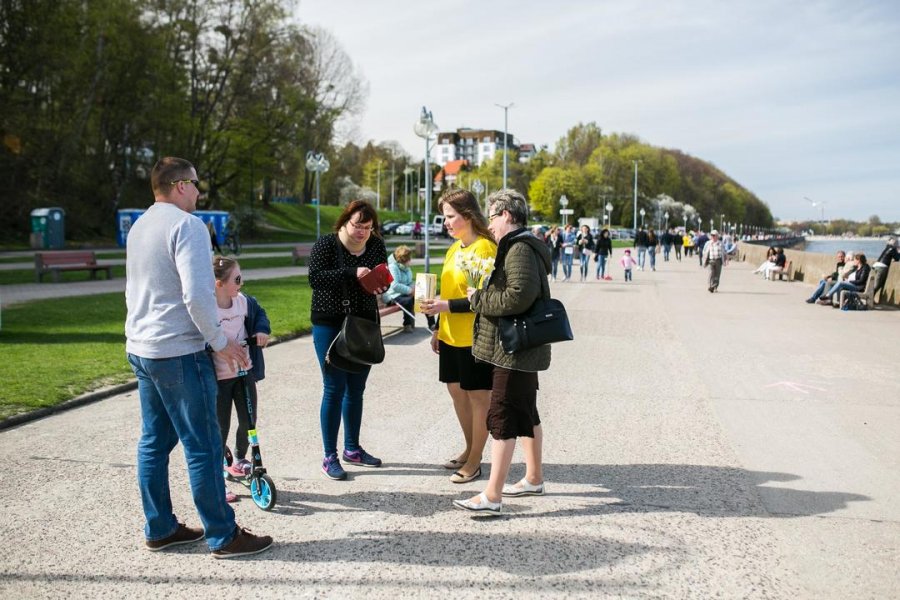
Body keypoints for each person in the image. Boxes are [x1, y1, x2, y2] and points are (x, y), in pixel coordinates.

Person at [125, 157, 272, 558]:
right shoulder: (186, 226)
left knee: (154, 441)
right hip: (178, 351)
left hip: (143, 347)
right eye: (195, 184)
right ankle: (224, 535)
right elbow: (197, 294)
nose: (199, 192)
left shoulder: (141, 225)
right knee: (204, 444)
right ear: (179, 186)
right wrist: (220, 341)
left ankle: (160, 527)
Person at [452, 188, 551, 516]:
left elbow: (518, 297)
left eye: (492, 216)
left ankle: (492, 495)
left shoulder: (519, 248)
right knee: (526, 411)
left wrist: (478, 298)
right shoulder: (518, 244)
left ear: (507, 215)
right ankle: (534, 477)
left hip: (513, 349)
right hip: (522, 346)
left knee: (503, 416)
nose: (489, 223)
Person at [308, 200, 388, 480]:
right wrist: (351, 273)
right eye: (357, 225)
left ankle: (352, 448)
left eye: (368, 227)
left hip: (364, 323)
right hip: (330, 323)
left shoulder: (376, 245)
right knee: (334, 387)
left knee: (356, 388)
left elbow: (382, 274)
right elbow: (315, 278)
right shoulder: (328, 244)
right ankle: (329, 455)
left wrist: (381, 282)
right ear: (345, 221)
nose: (362, 232)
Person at [421, 189, 497, 484]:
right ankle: (469, 448)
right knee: (456, 393)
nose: (446, 222)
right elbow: (452, 292)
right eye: (444, 216)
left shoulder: (485, 249)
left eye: (450, 216)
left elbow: (483, 299)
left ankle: (476, 461)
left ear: (468, 215)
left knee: (479, 398)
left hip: (475, 337)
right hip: (451, 335)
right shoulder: (455, 248)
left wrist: (444, 306)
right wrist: (438, 326)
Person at [212, 256, 271, 504]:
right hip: (219, 379)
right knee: (219, 426)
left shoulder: (243, 302)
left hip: (244, 372)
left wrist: (261, 330)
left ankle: (238, 459)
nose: (241, 283)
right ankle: (216, 477)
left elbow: (260, 315)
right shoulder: (208, 308)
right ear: (219, 284)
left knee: (249, 420)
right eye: (237, 279)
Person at [382, 245, 417, 332]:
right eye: (410, 257)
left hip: (403, 294)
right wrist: (410, 290)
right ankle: (407, 324)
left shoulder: (407, 268)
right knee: (408, 301)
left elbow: (409, 282)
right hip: (392, 296)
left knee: (421, 298)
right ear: (405, 258)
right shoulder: (393, 267)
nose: (411, 259)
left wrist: (415, 288)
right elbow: (394, 285)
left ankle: (432, 324)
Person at [872, 237, 900, 303]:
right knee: (877, 285)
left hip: (877, 265)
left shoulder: (887, 247)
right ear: (895, 243)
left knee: (879, 284)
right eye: (897, 243)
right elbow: (897, 258)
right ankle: (869, 297)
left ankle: (871, 298)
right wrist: (899, 252)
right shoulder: (892, 249)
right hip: (882, 267)